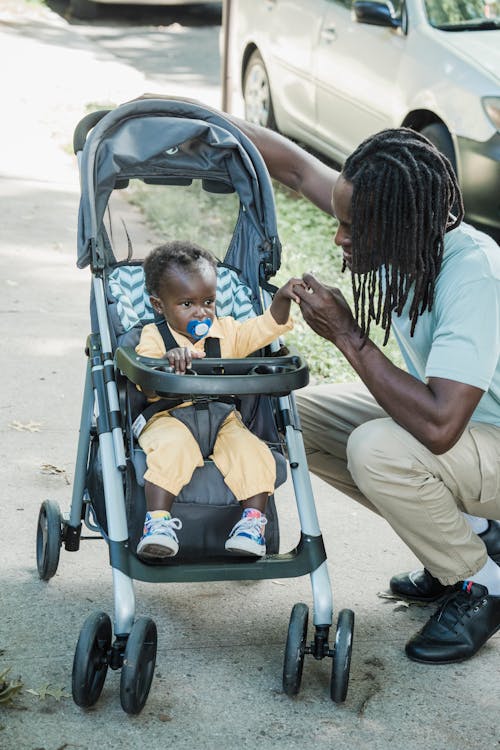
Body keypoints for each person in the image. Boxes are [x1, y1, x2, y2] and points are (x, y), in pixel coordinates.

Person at [227, 118, 500, 665]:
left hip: (476, 434)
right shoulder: (399, 219)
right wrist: (193, 114)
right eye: (342, 219)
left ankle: (481, 584)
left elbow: (440, 426)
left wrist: (349, 336)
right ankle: (469, 538)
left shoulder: (475, 274)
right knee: (293, 416)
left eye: (353, 227)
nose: (339, 237)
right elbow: (296, 166)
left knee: (377, 449)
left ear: (402, 224)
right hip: (473, 436)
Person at [135, 239, 304, 561]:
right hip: (169, 417)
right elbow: (147, 383)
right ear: (160, 306)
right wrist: (170, 359)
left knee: (253, 452)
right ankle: (157, 525)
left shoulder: (228, 332)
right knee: (172, 448)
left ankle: (252, 526)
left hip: (223, 416)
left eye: (208, 302)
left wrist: (281, 298)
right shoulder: (154, 336)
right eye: (187, 304)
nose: (201, 312)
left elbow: (268, 327)